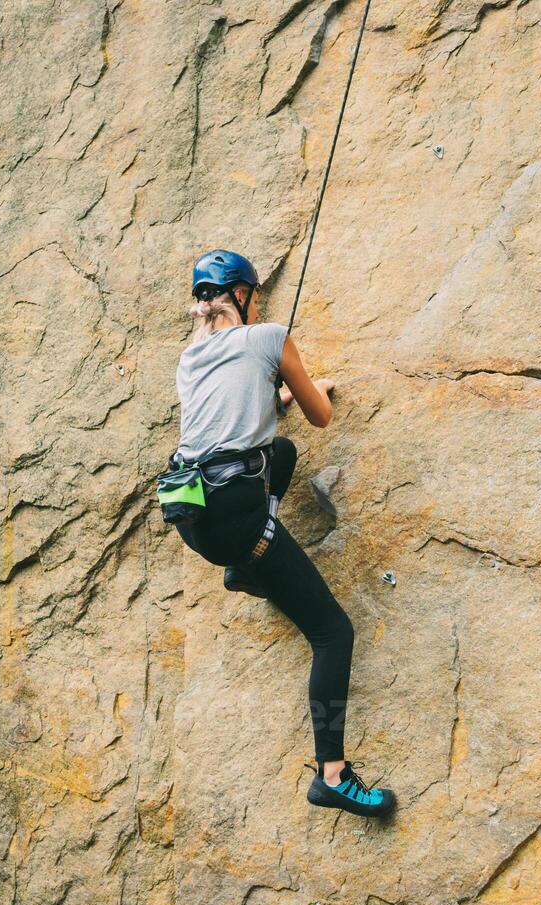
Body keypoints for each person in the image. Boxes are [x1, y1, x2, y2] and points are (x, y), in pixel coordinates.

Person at [171, 248, 396, 818]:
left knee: (283, 449)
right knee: (332, 632)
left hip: (194, 518)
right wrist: (303, 385)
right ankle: (333, 775)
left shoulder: (188, 359)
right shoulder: (270, 336)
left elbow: (234, 418)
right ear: (243, 295)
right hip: (241, 521)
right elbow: (322, 415)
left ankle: (241, 567)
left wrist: (278, 398)